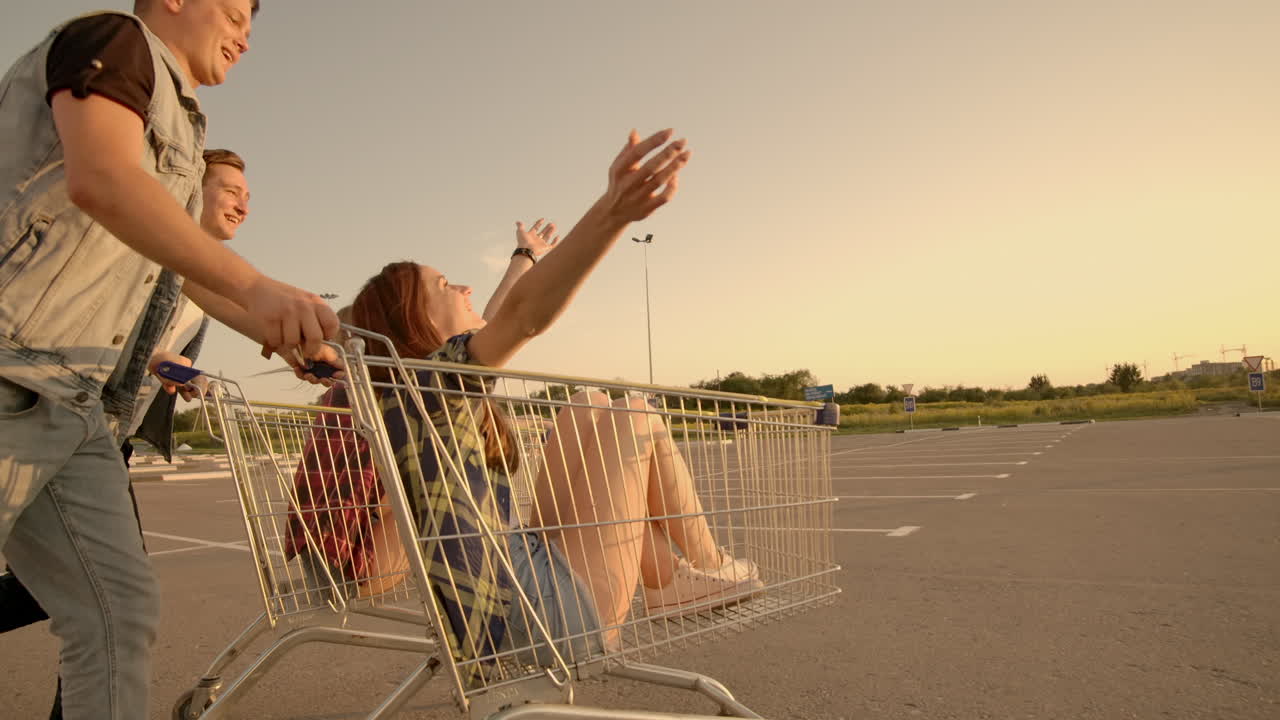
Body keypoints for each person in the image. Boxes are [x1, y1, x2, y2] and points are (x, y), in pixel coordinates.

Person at [290, 130, 760, 685]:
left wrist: (523, 256)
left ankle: (672, 579)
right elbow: (522, 316)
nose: (462, 285)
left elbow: (500, 315)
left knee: (589, 403)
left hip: (519, 592)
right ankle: (707, 564)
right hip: (549, 620)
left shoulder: (409, 395)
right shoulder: (433, 389)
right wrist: (612, 212)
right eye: (444, 285)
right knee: (635, 413)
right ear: (419, 326)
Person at [0, 3, 335, 718]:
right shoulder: (114, 43)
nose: (248, 34)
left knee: (117, 612)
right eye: (238, 10)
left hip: (77, 408)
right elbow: (102, 177)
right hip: (12, 369)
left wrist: (288, 334)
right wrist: (259, 287)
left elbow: (180, 273)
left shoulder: (184, 127)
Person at [0, 146, 255, 718]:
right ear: (192, 187)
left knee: (105, 599)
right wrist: (161, 358)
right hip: (49, 413)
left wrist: (176, 376)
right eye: (230, 190)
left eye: (248, 197)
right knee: (103, 593)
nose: (242, 203)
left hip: (102, 439)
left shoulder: (201, 285)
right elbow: (104, 329)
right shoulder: (142, 252)